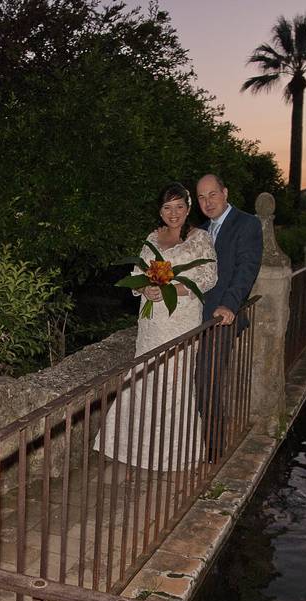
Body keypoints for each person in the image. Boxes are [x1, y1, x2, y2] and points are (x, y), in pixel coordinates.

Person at [94, 182, 218, 470]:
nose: (173, 213)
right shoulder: (152, 237)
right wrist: (145, 290)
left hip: (181, 320)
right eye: (167, 207)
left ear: (188, 209)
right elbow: (138, 274)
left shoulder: (200, 238)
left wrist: (172, 288)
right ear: (159, 210)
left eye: (179, 207)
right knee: (144, 377)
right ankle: (132, 449)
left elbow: (209, 277)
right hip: (152, 323)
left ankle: (173, 455)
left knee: (175, 381)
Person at [195, 173, 263, 459]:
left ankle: (213, 449)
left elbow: (246, 270)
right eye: (201, 197)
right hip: (193, 318)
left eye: (212, 194)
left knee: (207, 381)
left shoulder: (247, 223)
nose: (207, 202)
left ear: (225, 192)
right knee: (193, 381)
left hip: (220, 319)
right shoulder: (200, 230)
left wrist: (230, 306)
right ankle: (194, 442)